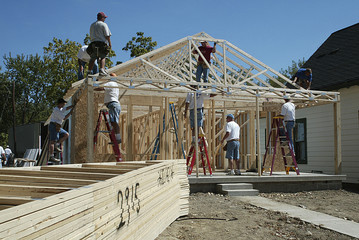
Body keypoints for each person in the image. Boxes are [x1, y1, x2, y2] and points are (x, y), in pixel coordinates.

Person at [95, 73, 122, 143]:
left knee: (114, 122)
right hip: (113, 105)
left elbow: (101, 88)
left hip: (113, 104)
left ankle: (118, 139)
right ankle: (116, 138)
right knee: (113, 122)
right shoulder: (115, 84)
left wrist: (93, 87)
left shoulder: (111, 83)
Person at [49, 98, 75, 162]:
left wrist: (73, 105)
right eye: (63, 103)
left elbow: (66, 108)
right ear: (60, 103)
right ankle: (51, 156)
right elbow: (64, 118)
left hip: (57, 126)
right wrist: (70, 113)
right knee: (52, 141)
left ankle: (57, 145)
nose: (64, 104)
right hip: (54, 126)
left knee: (66, 134)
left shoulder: (60, 109)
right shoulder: (56, 110)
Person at [87, 12, 112, 77]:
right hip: (101, 43)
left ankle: (89, 72)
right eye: (104, 18)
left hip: (93, 44)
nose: (105, 19)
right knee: (103, 56)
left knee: (93, 58)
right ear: (102, 18)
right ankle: (101, 70)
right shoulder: (103, 24)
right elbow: (107, 35)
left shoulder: (92, 25)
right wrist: (110, 44)